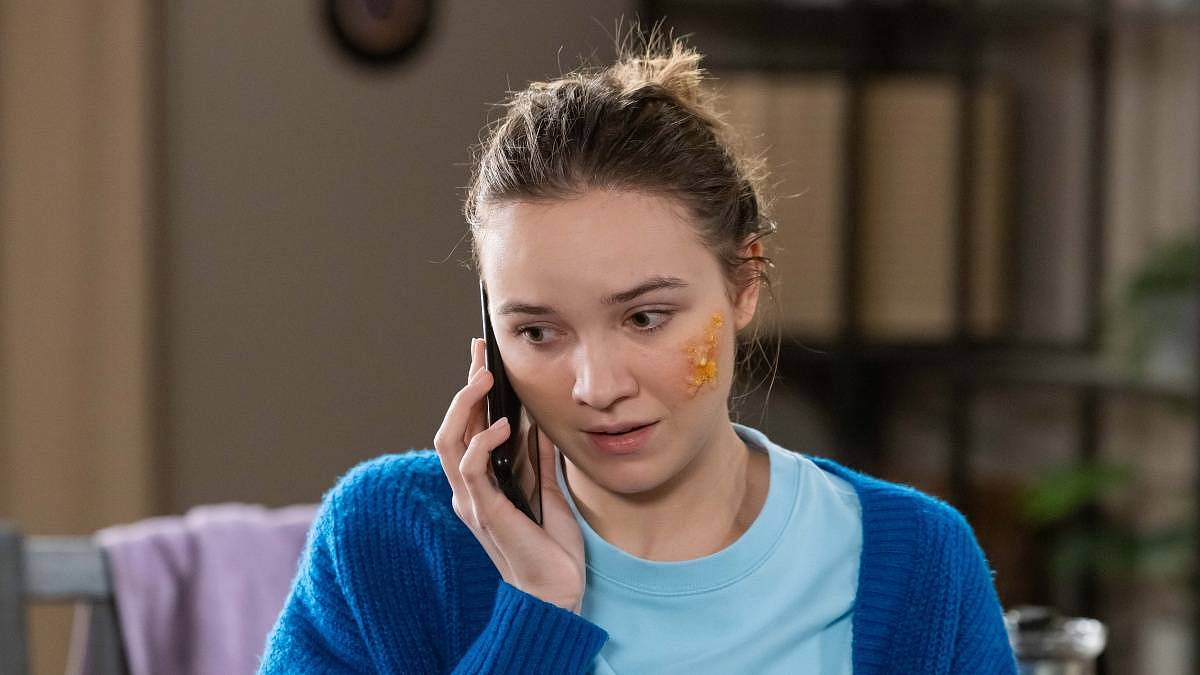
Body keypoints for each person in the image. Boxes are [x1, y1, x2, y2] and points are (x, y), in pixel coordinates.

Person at [259, 32, 1018, 675]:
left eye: (646, 317)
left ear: (744, 282)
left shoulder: (920, 562)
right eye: (538, 332)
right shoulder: (389, 541)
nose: (597, 386)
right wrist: (535, 615)